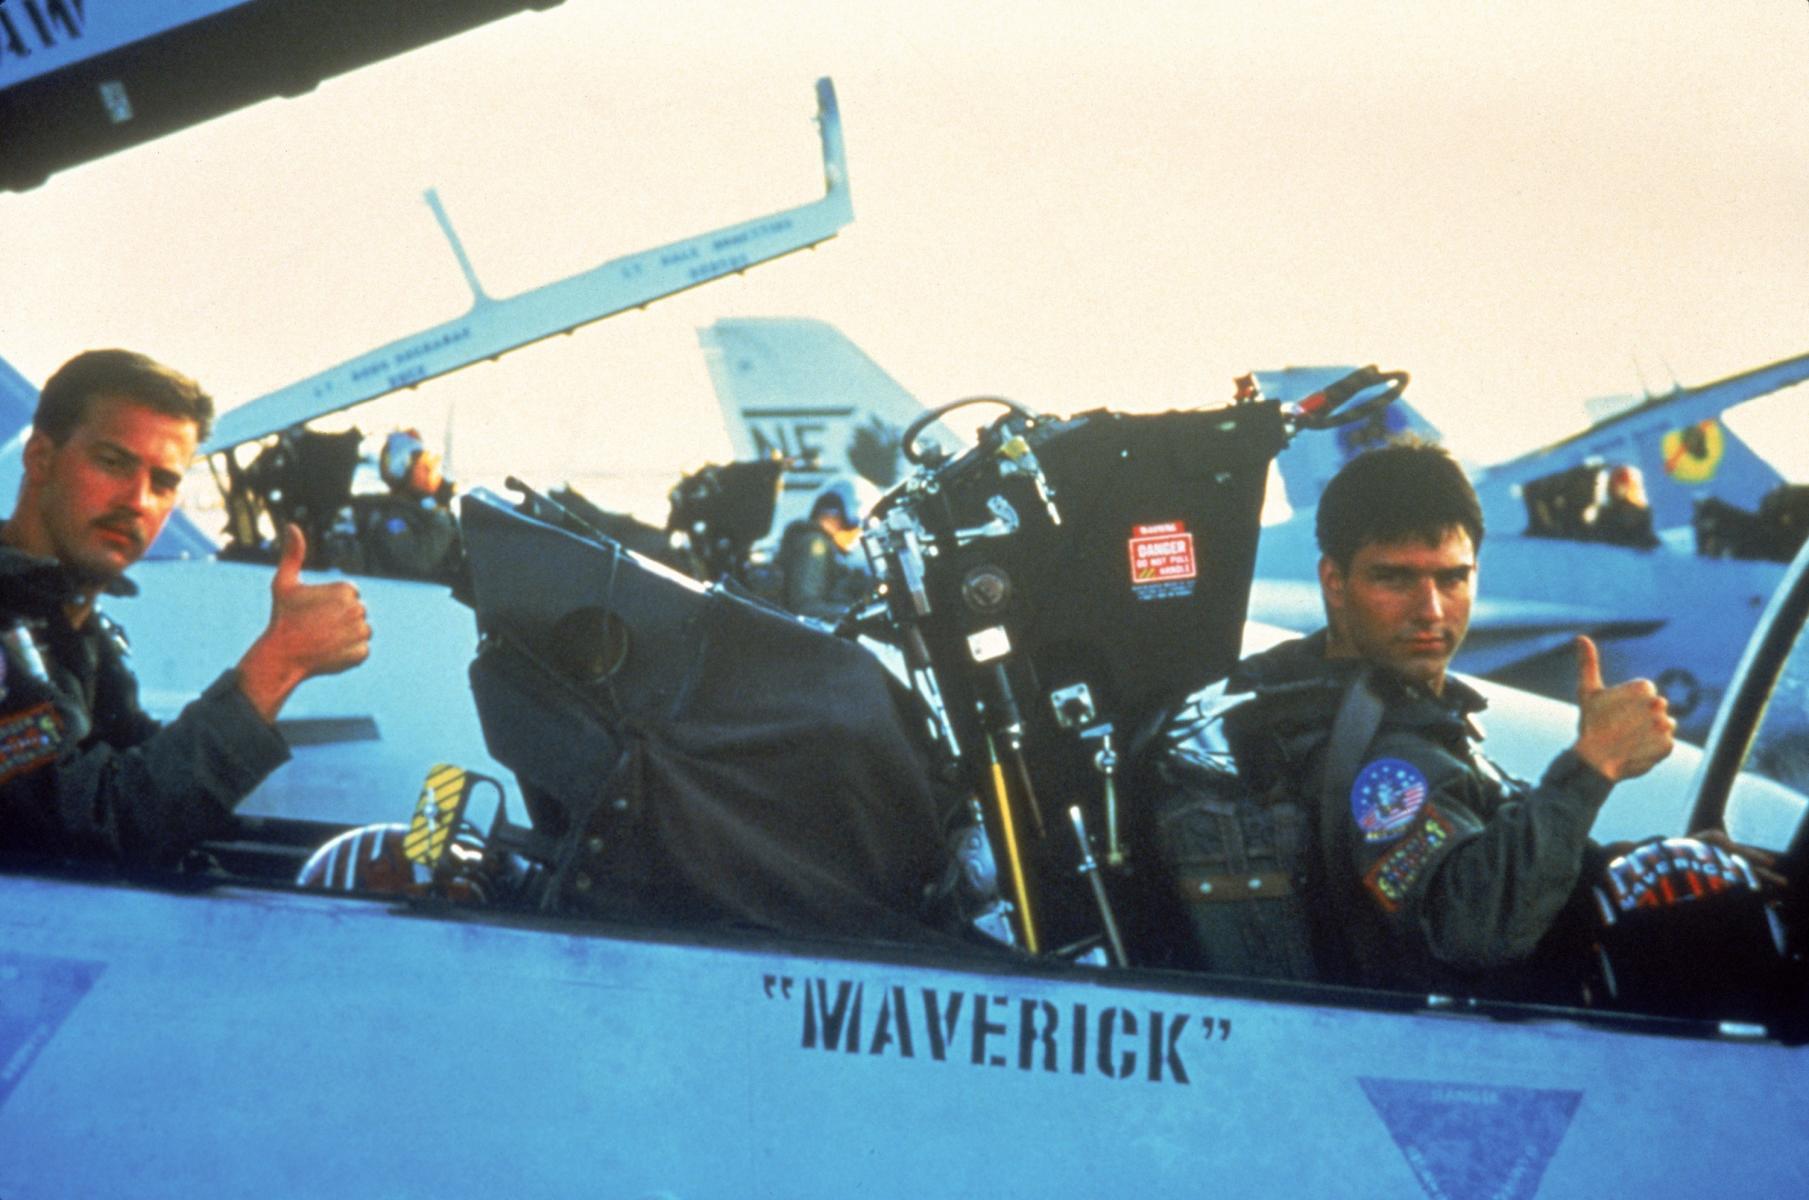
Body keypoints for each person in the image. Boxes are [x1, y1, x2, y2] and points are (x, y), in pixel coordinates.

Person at [1216, 439, 1778, 1002]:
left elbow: (1498, 860)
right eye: (1395, 579)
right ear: (1334, 581)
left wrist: (1655, 860)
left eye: (1452, 578)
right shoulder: (1372, 759)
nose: (1431, 610)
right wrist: (1591, 765)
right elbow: (1472, 929)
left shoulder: (1394, 718)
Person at [0, 349, 372, 866]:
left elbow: (149, 795)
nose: (138, 500)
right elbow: (99, 827)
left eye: (164, 482)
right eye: (113, 462)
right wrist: (278, 664)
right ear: (41, 458)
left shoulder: (76, 632)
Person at [358, 428, 460, 581]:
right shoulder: (392, 519)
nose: (430, 471)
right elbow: (418, 560)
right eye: (423, 466)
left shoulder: (420, 510)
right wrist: (441, 514)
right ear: (402, 470)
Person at [775, 480, 871, 621]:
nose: (855, 536)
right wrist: (854, 614)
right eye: (853, 529)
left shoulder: (814, 543)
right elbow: (805, 606)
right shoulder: (816, 545)